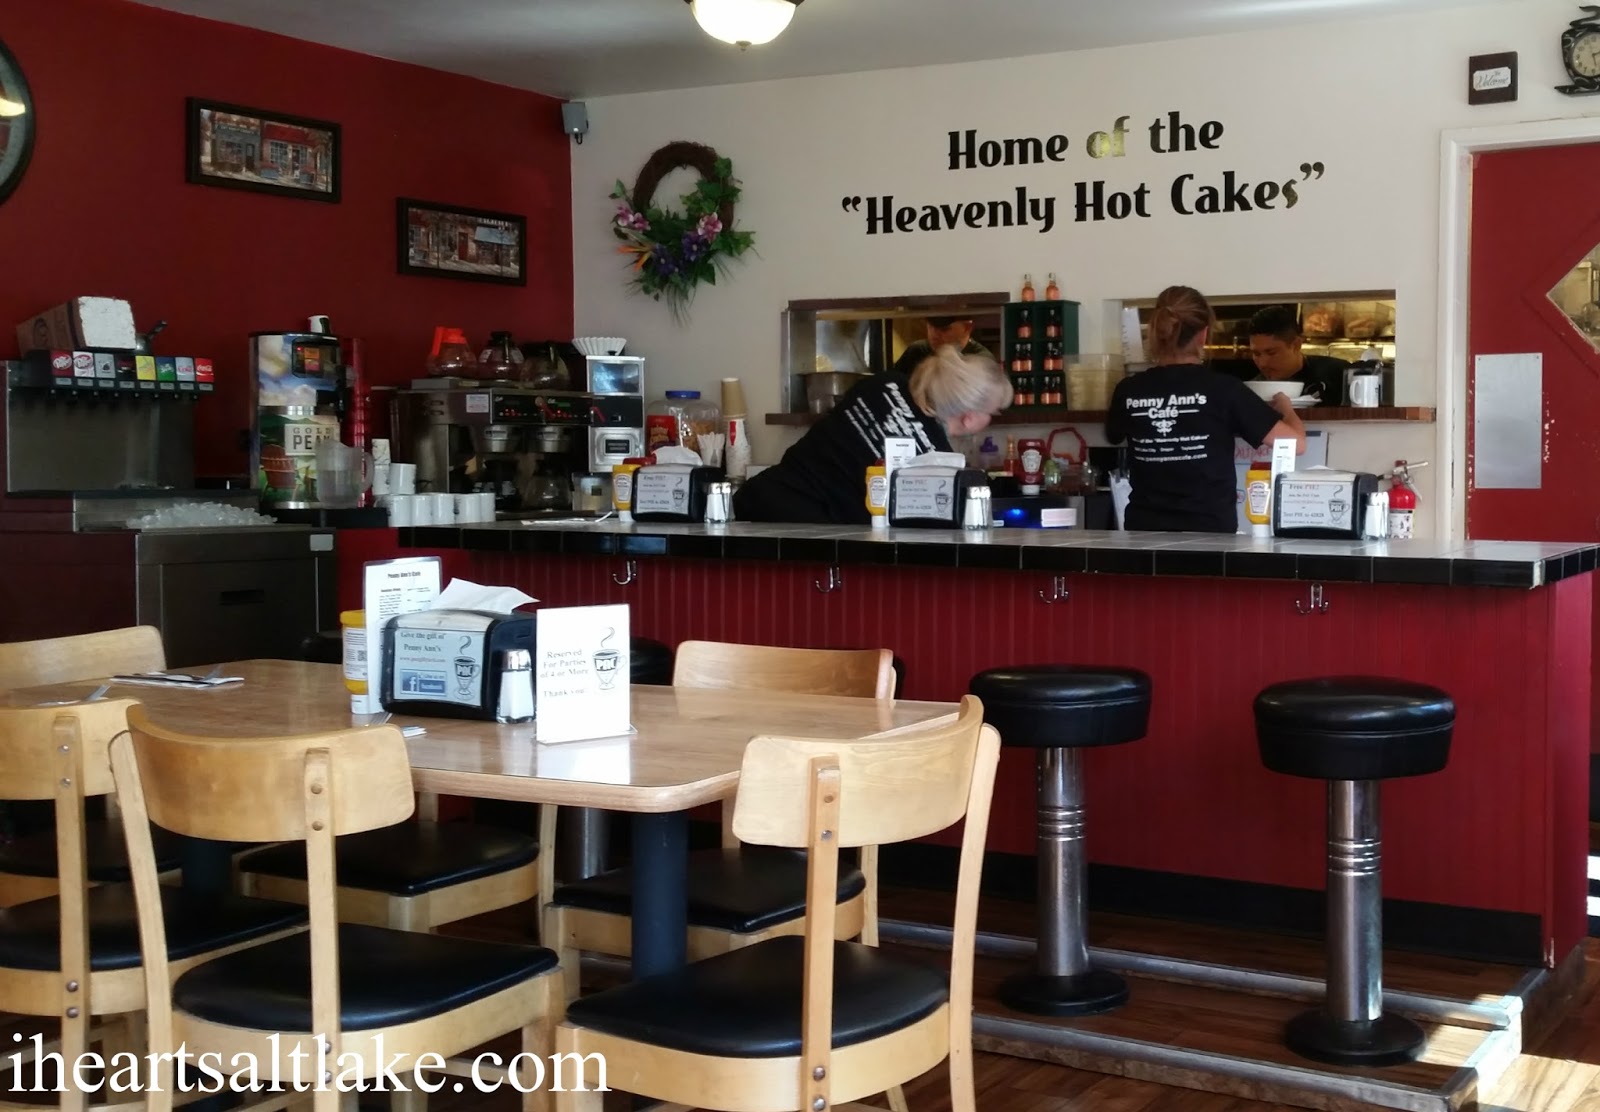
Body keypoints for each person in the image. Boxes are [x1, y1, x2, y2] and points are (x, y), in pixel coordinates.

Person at [733, 344, 1012, 524]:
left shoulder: (884, 383)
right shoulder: (937, 462)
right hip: (800, 532)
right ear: (970, 416)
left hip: (759, 499)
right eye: (994, 412)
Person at [1106, 286, 1305, 534]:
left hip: (1142, 532)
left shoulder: (1128, 390)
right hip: (1209, 534)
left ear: (1157, 330)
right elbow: (1296, 444)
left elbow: (1113, 436)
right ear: (1203, 334)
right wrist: (1286, 408)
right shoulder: (1224, 389)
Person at [1246, 305, 1350, 405]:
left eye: (1271, 353)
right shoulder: (1250, 391)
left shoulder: (1338, 374)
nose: (1263, 363)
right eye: (1256, 354)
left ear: (1296, 345)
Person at [890, 315, 993, 378]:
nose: (934, 334)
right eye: (930, 326)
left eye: (944, 329)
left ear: (967, 328)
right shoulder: (917, 351)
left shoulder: (981, 361)